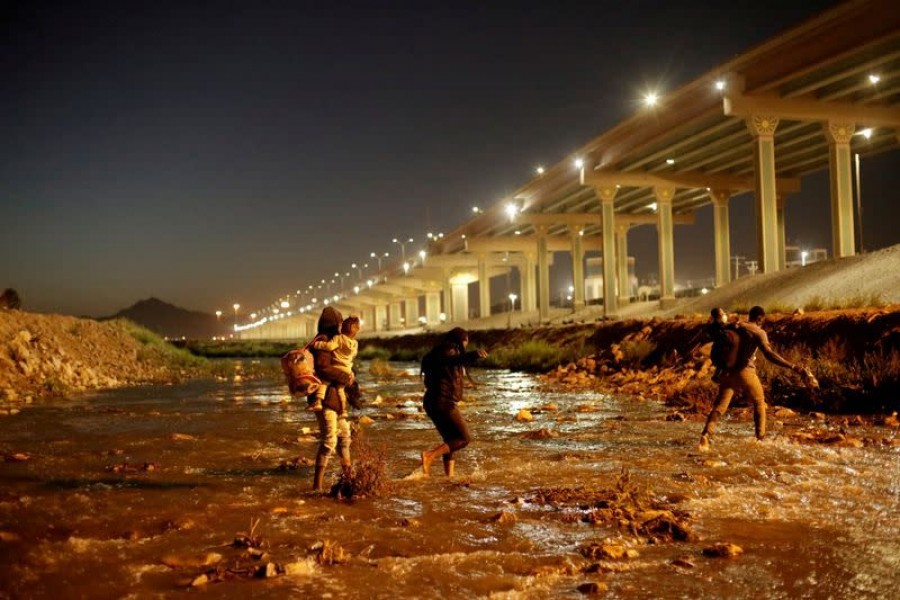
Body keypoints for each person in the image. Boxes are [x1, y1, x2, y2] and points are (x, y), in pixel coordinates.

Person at [699, 305, 806, 450]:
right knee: (759, 402)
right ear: (760, 318)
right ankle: (760, 438)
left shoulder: (737, 325)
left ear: (750, 316)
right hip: (745, 372)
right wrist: (792, 366)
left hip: (727, 373)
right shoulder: (758, 332)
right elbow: (770, 355)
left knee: (719, 407)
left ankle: (706, 435)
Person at [419, 327, 487, 477]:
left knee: (450, 441)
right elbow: (452, 360)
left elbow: (453, 362)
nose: (466, 346)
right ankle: (429, 455)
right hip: (444, 402)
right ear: (460, 340)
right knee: (464, 439)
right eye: (465, 342)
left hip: (434, 402)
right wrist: (472, 355)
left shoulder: (440, 351)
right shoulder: (448, 350)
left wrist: (470, 357)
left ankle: (448, 477)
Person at [308, 307, 355, 492]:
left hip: (336, 398)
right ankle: (316, 487)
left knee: (344, 438)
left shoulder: (334, 341)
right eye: (339, 322)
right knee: (330, 441)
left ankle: (349, 478)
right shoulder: (323, 341)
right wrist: (346, 377)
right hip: (326, 400)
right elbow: (322, 368)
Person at [308, 316, 360, 413]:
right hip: (347, 368)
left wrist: (316, 344)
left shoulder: (338, 338)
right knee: (341, 390)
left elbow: (329, 346)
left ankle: (318, 402)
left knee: (324, 383)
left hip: (337, 367)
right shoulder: (355, 343)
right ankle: (343, 410)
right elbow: (354, 355)